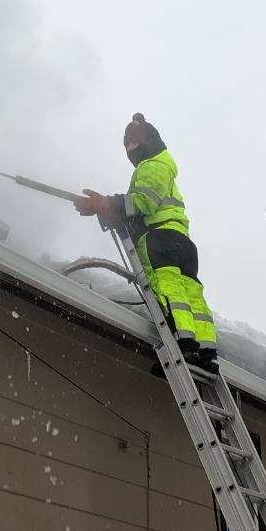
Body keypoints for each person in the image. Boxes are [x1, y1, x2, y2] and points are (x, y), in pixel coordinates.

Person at [75, 113, 219, 373]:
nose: (130, 148)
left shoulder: (151, 165)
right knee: (191, 295)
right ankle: (206, 351)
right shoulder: (165, 167)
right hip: (182, 241)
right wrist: (104, 209)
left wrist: (105, 203)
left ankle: (183, 347)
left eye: (134, 142)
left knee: (168, 289)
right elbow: (139, 209)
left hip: (160, 239)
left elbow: (141, 202)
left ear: (148, 141)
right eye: (126, 144)